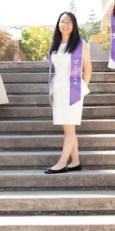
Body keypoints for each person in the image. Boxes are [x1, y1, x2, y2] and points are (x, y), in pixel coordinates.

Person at [44, 12, 93, 174]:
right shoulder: (55, 44)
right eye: (62, 21)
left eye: (69, 21)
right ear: (58, 24)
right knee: (68, 128)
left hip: (72, 87)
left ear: (74, 25)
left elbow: (88, 70)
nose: (65, 24)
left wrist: (80, 89)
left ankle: (62, 163)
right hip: (58, 87)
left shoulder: (81, 44)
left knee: (69, 129)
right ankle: (76, 161)